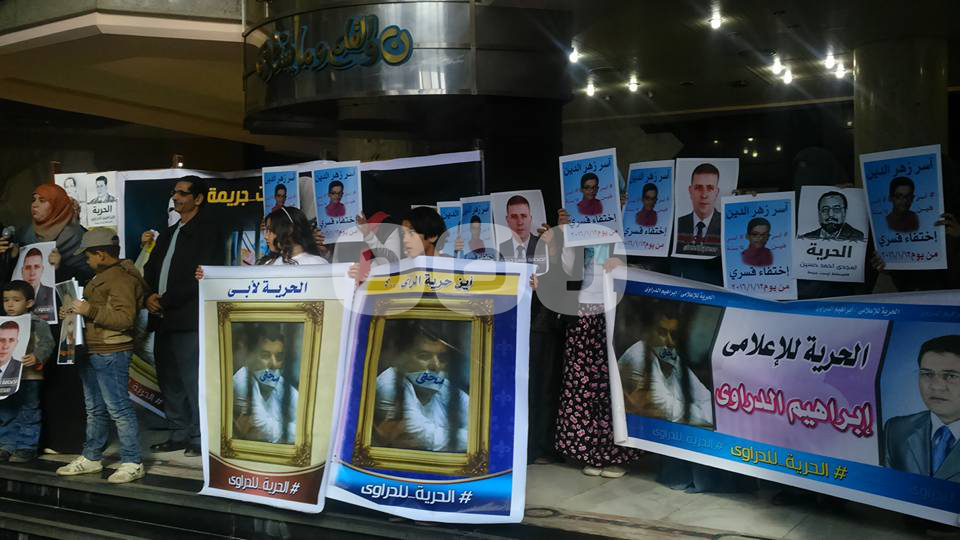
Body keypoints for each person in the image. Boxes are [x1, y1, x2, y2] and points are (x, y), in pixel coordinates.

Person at [0, 184, 90, 455]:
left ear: (58, 205)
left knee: (63, 379)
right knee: (29, 386)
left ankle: (64, 439)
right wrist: (7, 257)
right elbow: (12, 282)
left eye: (43, 200)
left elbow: (91, 276)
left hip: (63, 320)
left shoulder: (77, 236)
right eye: (33, 199)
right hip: (29, 321)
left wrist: (63, 266)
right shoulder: (25, 235)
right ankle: (27, 441)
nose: (35, 205)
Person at [55, 227, 146, 483]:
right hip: (94, 349)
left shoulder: (121, 279)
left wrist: (88, 310)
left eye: (88, 256)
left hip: (112, 351)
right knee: (95, 409)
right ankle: (92, 457)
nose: (86, 261)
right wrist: (72, 312)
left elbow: (125, 319)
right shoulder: (104, 276)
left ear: (101, 255)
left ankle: (133, 461)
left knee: (119, 409)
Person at [143, 176, 225, 457]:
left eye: (182, 193)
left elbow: (202, 276)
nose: (175, 197)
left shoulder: (209, 231)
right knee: (169, 380)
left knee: (193, 381)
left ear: (198, 199)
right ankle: (177, 433)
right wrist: (148, 296)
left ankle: (199, 437)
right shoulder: (169, 233)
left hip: (189, 318)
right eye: (174, 192)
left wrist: (164, 300)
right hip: (163, 318)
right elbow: (150, 269)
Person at [556, 208, 640, 478]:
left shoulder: (620, 228)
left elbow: (639, 264)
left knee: (610, 384)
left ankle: (615, 456)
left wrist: (621, 262)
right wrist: (564, 233)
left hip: (612, 311)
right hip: (581, 311)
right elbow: (567, 269)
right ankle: (589, 453)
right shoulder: (578, 230)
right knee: (581, 385)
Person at [373, 320, 469, 453]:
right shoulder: (389, 383)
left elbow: (481, 427)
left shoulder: (444, 386)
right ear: (402, 358)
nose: (436, 366)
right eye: (424, 356)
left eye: (442, 358)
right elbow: (420, 433)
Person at [617, 304, 713, 427]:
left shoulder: (671, 357)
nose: (669, 342)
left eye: (673, 335)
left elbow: (709, 402)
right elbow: (667, 410)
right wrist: (701, 412)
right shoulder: (638, 356)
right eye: (662, 333)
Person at [883, 335, 960, 480]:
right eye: (927, 374)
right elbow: (887, 485)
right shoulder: (896, 429)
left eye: (950, 376)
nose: (936, 386)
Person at [0, 281, 54, 463]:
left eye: (16, 300)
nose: (10, 304)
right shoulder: (2, 323)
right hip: (6, 377)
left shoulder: (38, 323)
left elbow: (47, 343)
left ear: (29, 303)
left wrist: (37, 356)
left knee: (28, 410)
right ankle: (7, 445)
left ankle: (26, 446)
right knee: (6, 410)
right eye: (6, 300)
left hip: (29, 376)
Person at [233, 330, 298, 444]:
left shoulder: (279, 382)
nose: (274, 364)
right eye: (265, 356)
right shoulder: (242, 380)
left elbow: (306, 425)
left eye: (279, 357)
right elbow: (260, 425)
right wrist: (292, 430)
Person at [676, 163, 722, 257]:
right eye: (698, 188)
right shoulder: (677, 225)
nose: (704, 195)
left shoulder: (725, 225)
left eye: (710, 188)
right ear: (690, 191)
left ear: (717, 192)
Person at [498, 195, 546, 273]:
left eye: (524, 216)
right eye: (514, 217)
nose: (520, 222)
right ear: (507, 220)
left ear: (530, 219)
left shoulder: (543, 245)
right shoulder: (499, 250)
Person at [799, 191, 865, 241]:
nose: (830, 214)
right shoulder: (806, 238)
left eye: (836, 209)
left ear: (845, 212)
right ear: (819, 213)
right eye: (825, 209)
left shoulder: (858, 236)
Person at [19, 247, 55, 321]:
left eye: (36, 267)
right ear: (22, 271)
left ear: (42, 270)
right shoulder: (14, 296)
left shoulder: (52, 293)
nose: (32, 273)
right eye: (28, 267)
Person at [0, 321, 24, 396]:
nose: (5, 346)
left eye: (11, 340)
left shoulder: (21, 368)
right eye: (1, 340)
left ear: (16, 343)